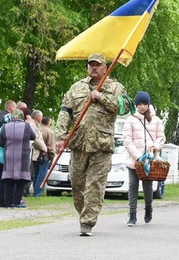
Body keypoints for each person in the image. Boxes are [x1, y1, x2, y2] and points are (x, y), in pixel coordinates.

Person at [56, 53, 127, 237]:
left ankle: (87, 222)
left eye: (98, 65)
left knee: (95, 185)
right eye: (91, 65)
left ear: (105, 67)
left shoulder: (115, 87)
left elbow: (125, 107)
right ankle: (84, 214)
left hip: (101, 146)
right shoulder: (77, 87)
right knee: (78, 186)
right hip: (79, 143)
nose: (94, 68)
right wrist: (60, 137)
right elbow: (65, 111)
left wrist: (101, 97)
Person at [123, 91, 165, 226]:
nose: (142, 107)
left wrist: (156, 146)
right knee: (133, 186)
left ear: (148, 104)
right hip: (135, 160)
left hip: (150, 160)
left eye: (145, 104)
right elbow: (127, 140)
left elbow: (161, 137)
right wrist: (138, 156)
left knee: (148, 187)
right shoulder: (131, 120)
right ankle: (132, 214)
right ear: (136, 105)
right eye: (140, 104)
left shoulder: (156, 120)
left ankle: (148, 208)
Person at [0, 109, 40, 209]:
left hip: (9, 155)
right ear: (22, 116)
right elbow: (34, 137)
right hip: (23, 155)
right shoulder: (26, 126)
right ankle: (17, 202)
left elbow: (0, 142)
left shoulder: (5, 126)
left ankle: (8, 204)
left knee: (9, 179)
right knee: (21, 179)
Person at [0, 99, 18, 200]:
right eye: (15, 107)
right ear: (11, 107)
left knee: (0, 173)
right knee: (1, 174)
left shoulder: (0, 117)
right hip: (2, 150)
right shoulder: (5, 119)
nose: (15, 109)